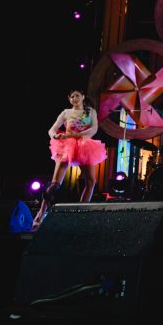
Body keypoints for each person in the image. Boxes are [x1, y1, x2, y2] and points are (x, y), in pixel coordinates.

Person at [33, 90, 107, 230]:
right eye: (72, 96)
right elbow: (52, 130)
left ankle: (80, 213)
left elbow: (94, 129)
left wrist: (75, 135)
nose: (74, 98)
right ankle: (40, 214)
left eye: (77, 95)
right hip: (66, 147)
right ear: (69, 99)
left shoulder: (90, 111)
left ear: (83, 97)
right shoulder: (66, 112)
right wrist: (55, 136)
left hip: (84, 146)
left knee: (91, 181)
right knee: (55, 183)